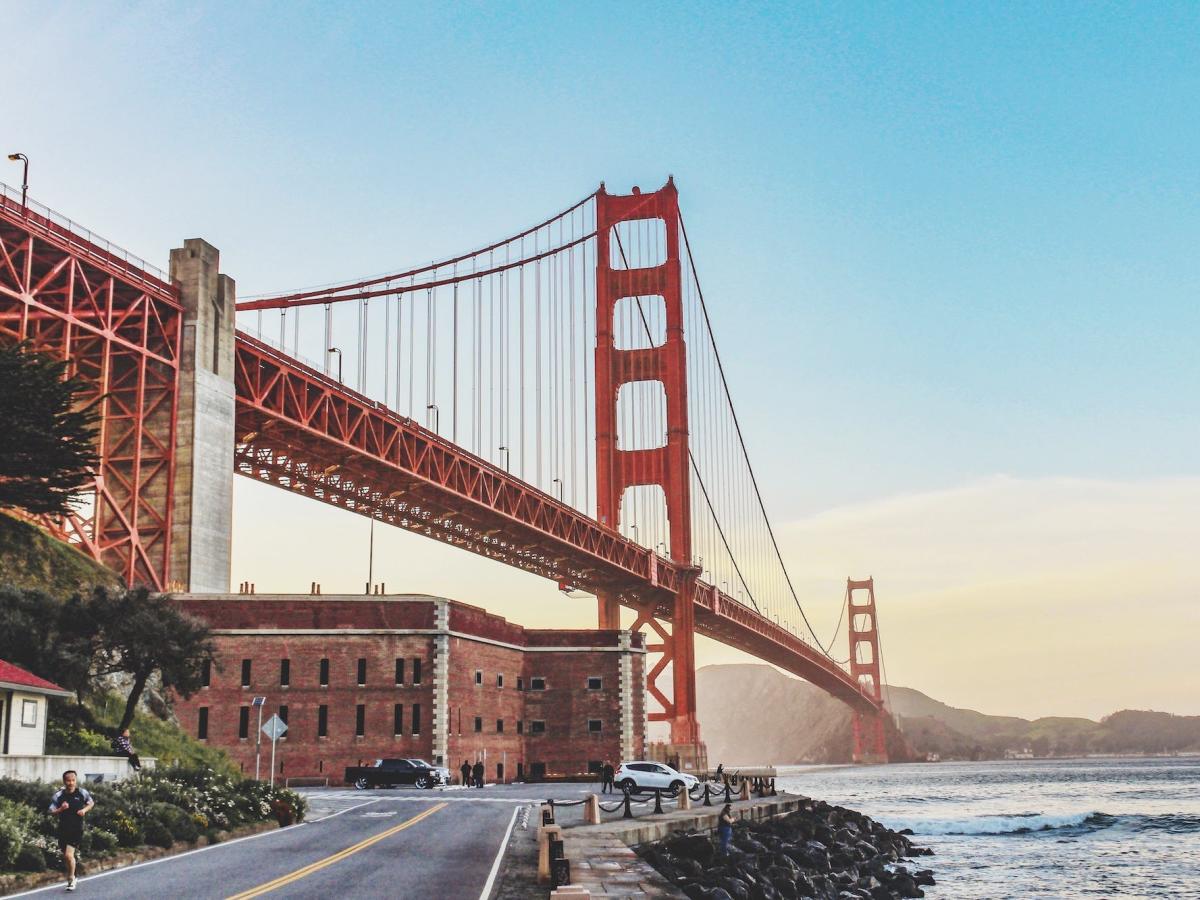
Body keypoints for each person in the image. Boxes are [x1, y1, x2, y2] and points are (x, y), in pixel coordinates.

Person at [49, 770, 94, 892]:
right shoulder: (58, 796)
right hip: (63, 829)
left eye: (73, 780)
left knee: (69, 855)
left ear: (76, 780)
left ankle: (71, 879)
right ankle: (74, 874)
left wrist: (84, 810)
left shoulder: (82, 793)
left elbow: (91, 803)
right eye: (68, 780)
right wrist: (61, 809)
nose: (71, 783)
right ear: (64, 781)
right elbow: (51, 811)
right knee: (66, 856)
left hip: (76, 829)